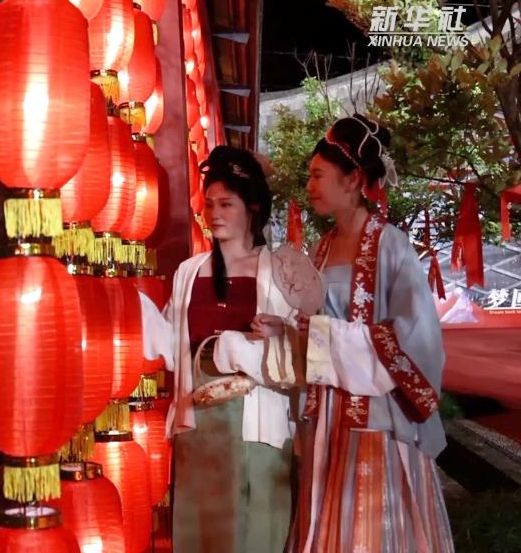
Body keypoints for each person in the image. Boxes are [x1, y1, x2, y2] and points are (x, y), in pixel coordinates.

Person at [287, 114, 454, 552]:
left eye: (318, 175)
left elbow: (414, 335)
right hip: (330, 413)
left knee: (371, 526)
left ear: (353, 180)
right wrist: (296, 329)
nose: (310, 186)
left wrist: (330, 335)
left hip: (378, 414)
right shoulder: (322, 248)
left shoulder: (391, 244)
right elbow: (317, 326)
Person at [160, 146, 317, 553]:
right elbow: (170, 340)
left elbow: (317, 344)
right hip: (198, 421)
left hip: (256, 419)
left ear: (253, 207)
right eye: (210, 203)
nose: (215, 213)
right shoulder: (189, 271)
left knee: (253, 531)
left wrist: (281, 331)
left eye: (226, 203)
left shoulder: (283, 269)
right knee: (199, 532)